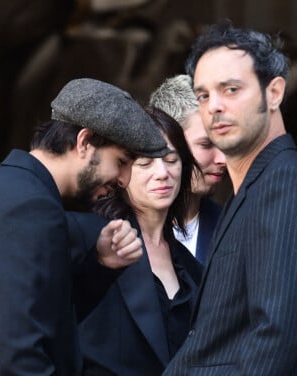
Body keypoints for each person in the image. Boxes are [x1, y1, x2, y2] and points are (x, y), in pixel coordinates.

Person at [0, 78, 169, 376]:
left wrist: (99, 266)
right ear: (84, 142)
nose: (124, 179)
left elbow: (43, 319)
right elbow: (23, 354)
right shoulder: (34, 209)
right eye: (122, 161)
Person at [163, 22, 297, 375]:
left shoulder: (285, 183)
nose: (214, 106)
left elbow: (273, 334)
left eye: (230, 89)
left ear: (274, 93)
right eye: (203, 95)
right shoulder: (257, 185)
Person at [74, 106, 202, 375]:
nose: (162, 173)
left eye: (171, 159)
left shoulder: (190, 265)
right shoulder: (92, 240)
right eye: (145, 162)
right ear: (121, 171)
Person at [149, 74, 227, 263]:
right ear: (165, 139)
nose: (223, 159)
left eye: (224, 143)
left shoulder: (232, 228)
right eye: (206, 144)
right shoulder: (117, 232)